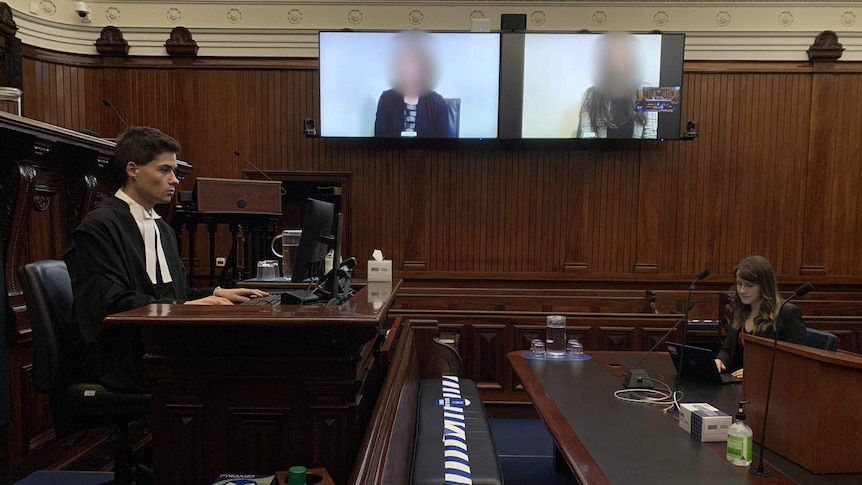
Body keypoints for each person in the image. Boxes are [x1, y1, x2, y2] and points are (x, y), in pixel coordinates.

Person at [64, 126, 268, 393]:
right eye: (164, 170)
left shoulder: (162, 227)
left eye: (174, 171)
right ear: (133, 170)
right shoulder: (99, 226)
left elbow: (172, 293)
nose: (174, 180)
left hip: (156, 342)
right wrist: (186, 306)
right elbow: (112, 304)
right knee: (233, 367)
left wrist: (217, 292)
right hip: (120, 356)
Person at [714, 256, 806, 380]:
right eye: (739, 284)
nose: (742, 290)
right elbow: (728, 349)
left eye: (749, 285)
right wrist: (720, 360)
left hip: (769, 384)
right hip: (737, 381)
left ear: (765, 286)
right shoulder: (739, 310)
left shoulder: (787, 313)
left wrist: (757, 371)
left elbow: (794, 360)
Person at [374, 31, 455, 138]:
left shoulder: (437, 102)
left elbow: (444, 141)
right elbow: (380, 137)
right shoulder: (387, 99)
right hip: (393, 153)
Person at [576, 33, 658, 139]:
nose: (617, 63)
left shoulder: (647, 93)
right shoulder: (591, 95)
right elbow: (586, 134)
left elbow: (650, 136)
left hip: (636, 154)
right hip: (599, 153)